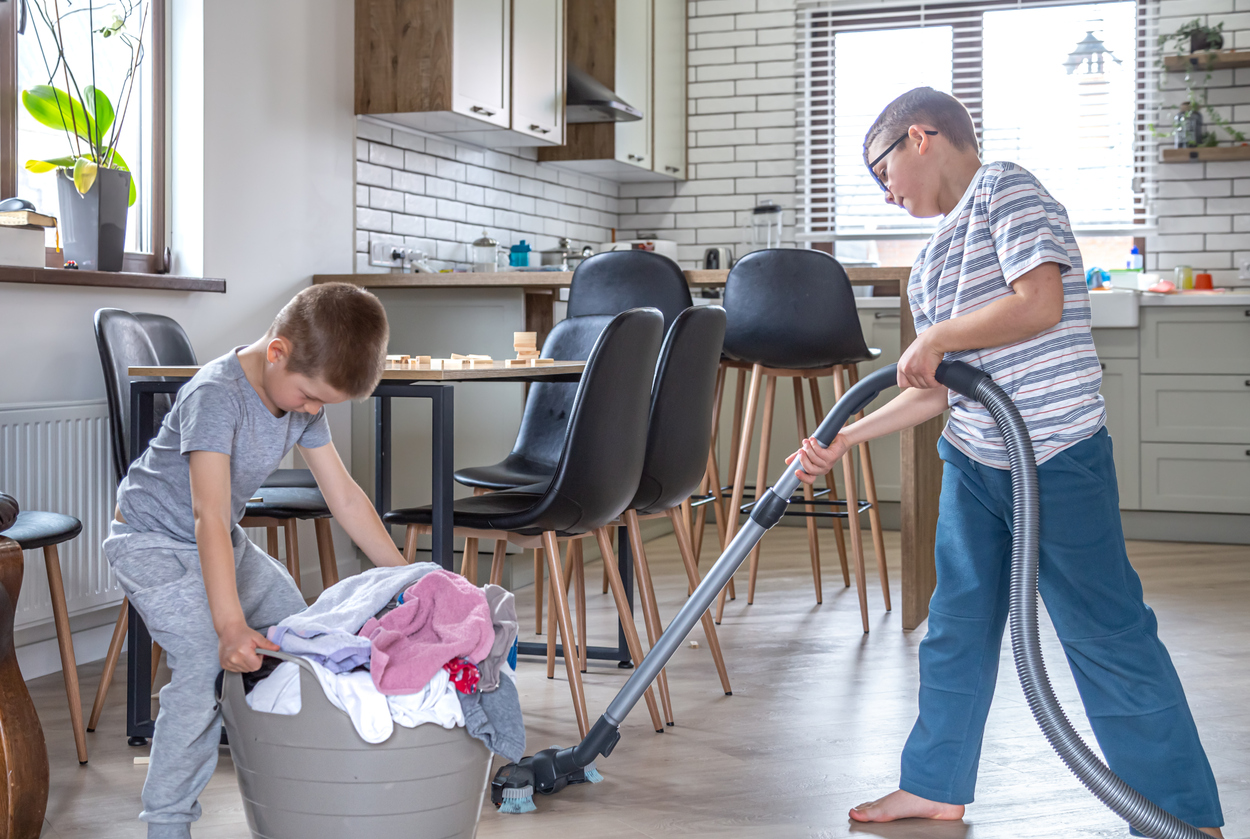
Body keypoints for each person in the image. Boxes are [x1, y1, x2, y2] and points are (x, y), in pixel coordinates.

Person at [786, 87, 1224, 836]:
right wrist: (847, 439)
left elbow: (1040, 301)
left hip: (1054, 453)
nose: (882, 191)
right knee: (955, 628)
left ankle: (1179, 811)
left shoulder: (1005, 189)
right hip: (975, 463)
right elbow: (938, 393)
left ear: (920, 138)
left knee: (1104, 632)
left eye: (880, 170)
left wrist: (941, 338)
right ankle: (935, 784)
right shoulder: (927, 266)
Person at [103, 282, 409, 838]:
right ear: (277, 352)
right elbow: (208, 516)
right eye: (310, 397)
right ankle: (168, 824)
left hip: (220, 540)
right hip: (151, 541)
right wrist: (229, 627)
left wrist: (404, 576)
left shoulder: (301, 399)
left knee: (299, 631)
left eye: (323, 404)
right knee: (203, 665)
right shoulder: (215, 397)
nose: (314, 411)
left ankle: (287, 785)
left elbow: (343, 495)